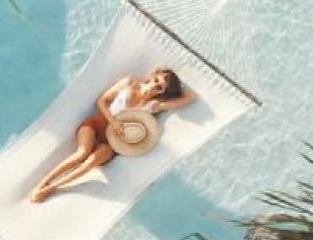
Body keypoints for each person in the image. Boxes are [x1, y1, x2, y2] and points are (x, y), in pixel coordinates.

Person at [29, 66, 196, 203]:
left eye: (160, 87)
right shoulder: (129, 82)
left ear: (162, 92)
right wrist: (113, 121)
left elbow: (190, 97)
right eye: (156, 81)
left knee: (91, 162)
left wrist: (173, 89)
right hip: (98, 123)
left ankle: (52, 188)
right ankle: (42, 183)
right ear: (152, 76)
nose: (154, 86)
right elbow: (102, 101)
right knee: (81, 153)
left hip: (114, 142)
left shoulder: (154, 105)